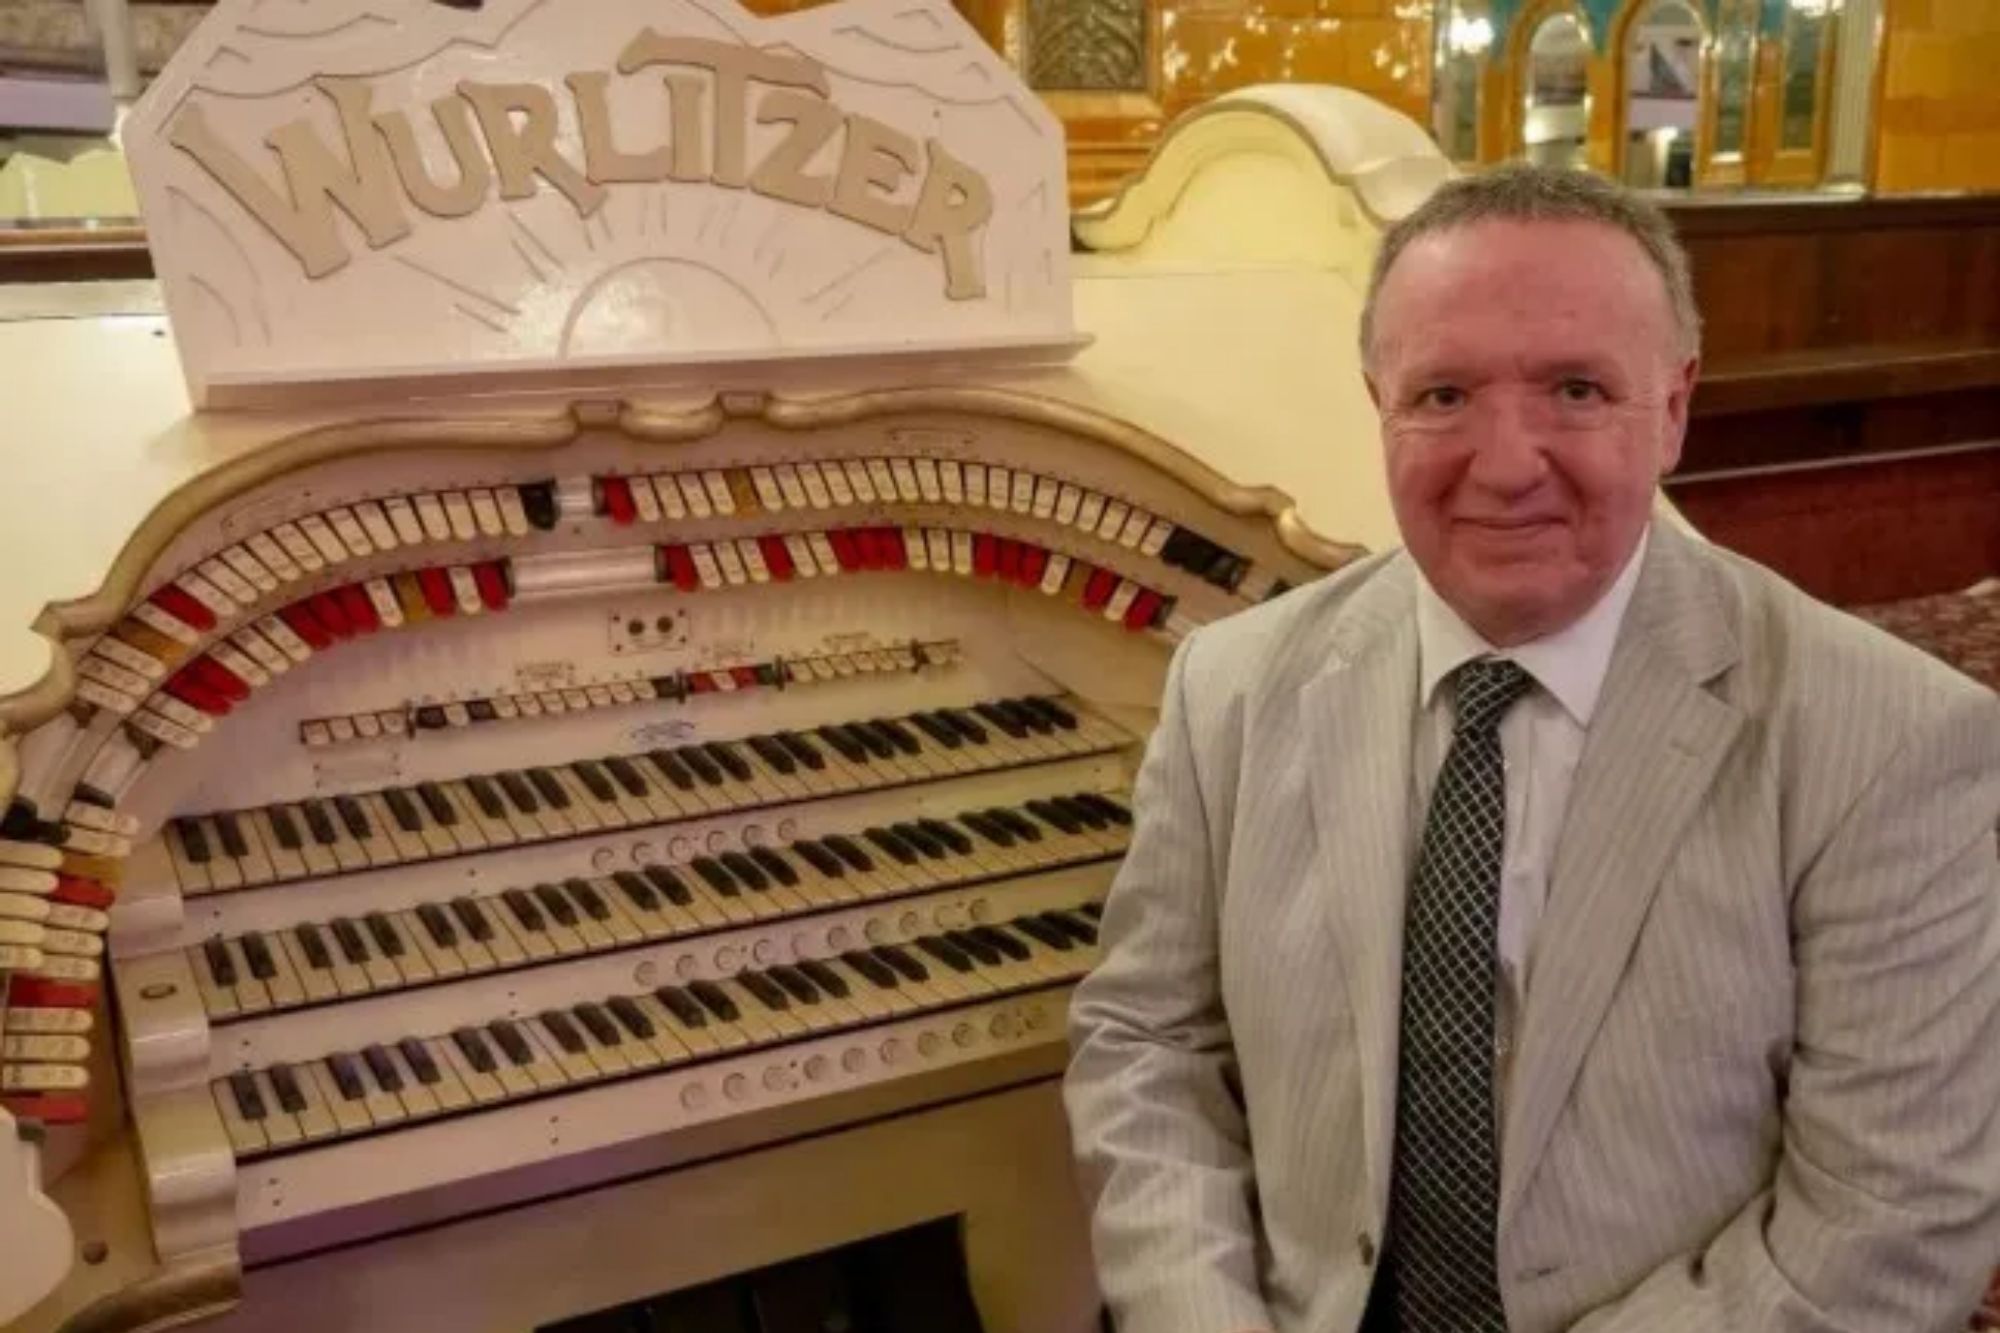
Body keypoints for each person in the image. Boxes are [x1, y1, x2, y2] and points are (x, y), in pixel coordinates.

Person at [1062, 162, 2000, 1333]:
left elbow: (1890, 1222)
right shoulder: (1233, 684)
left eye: (1574, 389)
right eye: (1443, 395)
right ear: (1378, 404)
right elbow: (1147, 1045)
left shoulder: (1890, 739)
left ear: (1671, 409)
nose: (1504, 464)